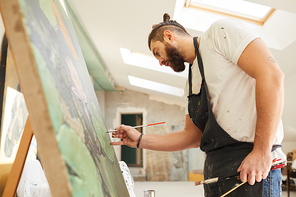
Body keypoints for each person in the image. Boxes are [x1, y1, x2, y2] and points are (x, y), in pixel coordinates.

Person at [111, 13, 285, 197]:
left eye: (157, 52)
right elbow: (192, 136)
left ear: (168, 36)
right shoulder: (191, 83)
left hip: (252, 172)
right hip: (218, 176)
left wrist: (261, 151)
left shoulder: (219, 33)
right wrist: (139, 140)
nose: (160, 62)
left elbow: (272, 76)